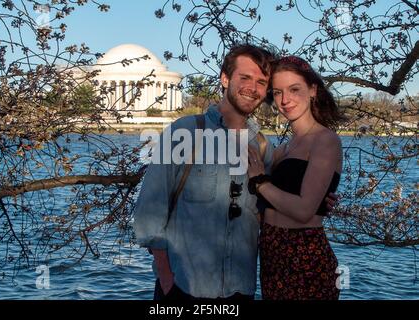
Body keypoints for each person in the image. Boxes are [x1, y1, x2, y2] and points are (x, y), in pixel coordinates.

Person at [133, 44, 275, 300]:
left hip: (239, 290)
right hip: (183, 288)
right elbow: (149, 211)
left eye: (261, 82)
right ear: (225, 78)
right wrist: (166, 278)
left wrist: (318, 201)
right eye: (245, 77)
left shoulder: (263, 148)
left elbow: (278, 208)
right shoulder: (184, 132)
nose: (252, 88)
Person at [247, 55, 344, 300]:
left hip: (305, 256)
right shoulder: (282, 149)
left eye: (294, 89)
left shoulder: (325, 140)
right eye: (277, 92)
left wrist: (260, 181)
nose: (285, 100)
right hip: (273, 255)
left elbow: (302, 211)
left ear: (312, 90)